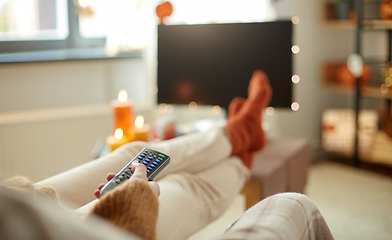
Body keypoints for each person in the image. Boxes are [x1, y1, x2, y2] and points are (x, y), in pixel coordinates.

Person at [0, 70, 334, 240]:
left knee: (134, 153)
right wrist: (131, 205)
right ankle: (244, 139)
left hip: (23, 207)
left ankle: (242, 132)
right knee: (187, 185)